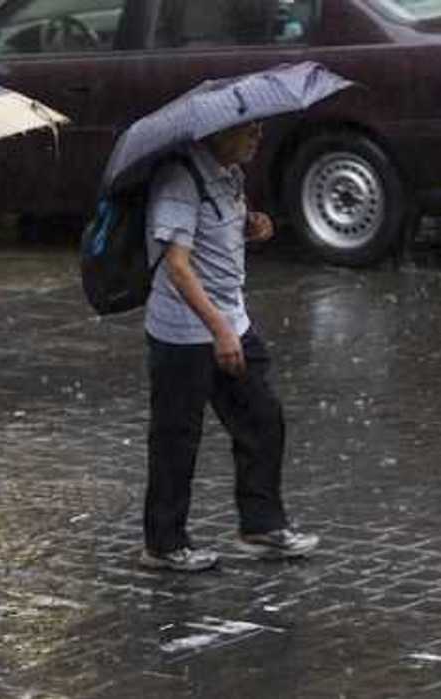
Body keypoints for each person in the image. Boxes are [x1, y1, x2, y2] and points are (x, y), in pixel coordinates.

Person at [141, 120, 319, 572]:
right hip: (184, 332)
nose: (258, 138)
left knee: (262, 418)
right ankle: (164, 544)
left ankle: (261, 524)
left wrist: (250, 227)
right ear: (218, 133)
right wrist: (218, 329)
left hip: (230, 321)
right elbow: (178, 267)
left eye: (260, 129)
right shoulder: (180, 180)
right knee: (176, 437)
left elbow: (212, 238)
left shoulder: (229, 174)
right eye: (249, 131)